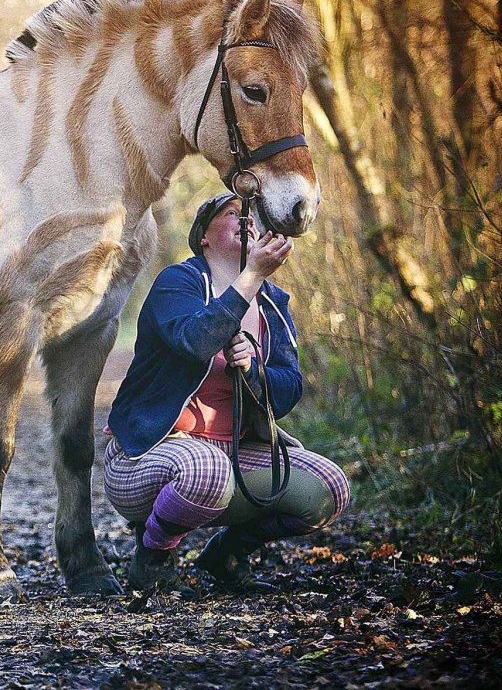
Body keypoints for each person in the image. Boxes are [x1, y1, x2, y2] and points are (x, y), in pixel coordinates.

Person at [104, 193, 350, 594]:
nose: (246, 220)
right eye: (232, 214)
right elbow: (195, 341)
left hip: (231, 454)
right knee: (207, 472)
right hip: (146, 456)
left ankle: (227, 553)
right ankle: (153, 554)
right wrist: (250, 276)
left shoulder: (273, 303)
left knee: (329, 488)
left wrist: (254, 368)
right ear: (203, 236)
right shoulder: (178, 283)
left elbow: (288, 391)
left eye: (250, 216)